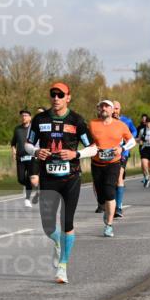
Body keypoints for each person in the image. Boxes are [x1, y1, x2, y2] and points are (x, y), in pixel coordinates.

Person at [25, 82, 95, 284]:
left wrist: (76, 153)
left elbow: (93, 147)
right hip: (48, 178)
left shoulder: (77, 120)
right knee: (48, 226)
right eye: (53, 94)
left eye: (60, 94)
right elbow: (28, 144)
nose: (56, 98)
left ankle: (63, 266)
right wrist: (36, 151)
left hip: (71, 178)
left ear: (68, 97)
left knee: (67, 222)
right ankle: (57, 242)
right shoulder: (40, 119)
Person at [89, 100, 136, 235]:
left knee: (110, 191)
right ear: (98, 109)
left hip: (113, 163)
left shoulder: (120, 125)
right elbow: (86, 140)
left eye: (107, 106)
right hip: (96, 164)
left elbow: (132, 141)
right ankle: (106, 209)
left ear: (112, 110)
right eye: (101, 106)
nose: (104, 108)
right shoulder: (92, 124)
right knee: (101, 197)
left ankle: (109, 225)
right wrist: (91, 147)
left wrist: (122, 148)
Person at [111, 101, 138, 219]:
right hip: (109, 154)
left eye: (117, 108)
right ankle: (110, 203)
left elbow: (134, 131)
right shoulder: (106, 121)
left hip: (123, 153)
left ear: (120, 109)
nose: (115, 111)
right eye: (113, 108)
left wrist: (127, 141)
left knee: (119, 177)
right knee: (111, 181)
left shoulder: (126, 121)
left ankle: (119, 207)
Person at [11, 109, 40, 207]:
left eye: (26, 115)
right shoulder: (17, 129)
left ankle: (27, 199)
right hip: (21, 158)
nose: (24, 117)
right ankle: (38, 188)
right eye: (22, 116)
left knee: (30, 177)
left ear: (30, 117)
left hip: (32, 157)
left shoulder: (34, 129)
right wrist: (13, 151)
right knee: (21, 179)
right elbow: (13, 143)